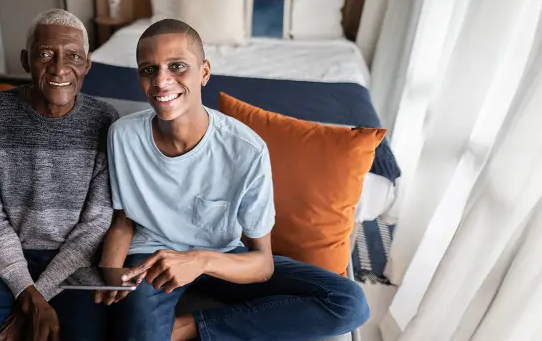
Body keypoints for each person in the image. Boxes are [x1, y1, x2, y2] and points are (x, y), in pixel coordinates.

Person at [97, 19, 370, 341]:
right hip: (151, 261)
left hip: (222, 257)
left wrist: (200, 261)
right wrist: (112, 277)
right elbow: (122, 220)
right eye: (148, 70)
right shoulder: (123, 135)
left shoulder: (247, 149)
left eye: (177, 66)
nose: (161, 81)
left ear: (204, 72)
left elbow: (262, 264)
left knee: (349, 303)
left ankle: (189, 329)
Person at [0, 9, 119, 341]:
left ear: (87, 65)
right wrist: (29, 296)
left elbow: (95, 227)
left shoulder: (105, 121)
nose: (60, 68)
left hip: (75, 260)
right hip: (7, 254)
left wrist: (31, 301)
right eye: (46, 54)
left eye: (73, 56)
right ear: (26, 60)